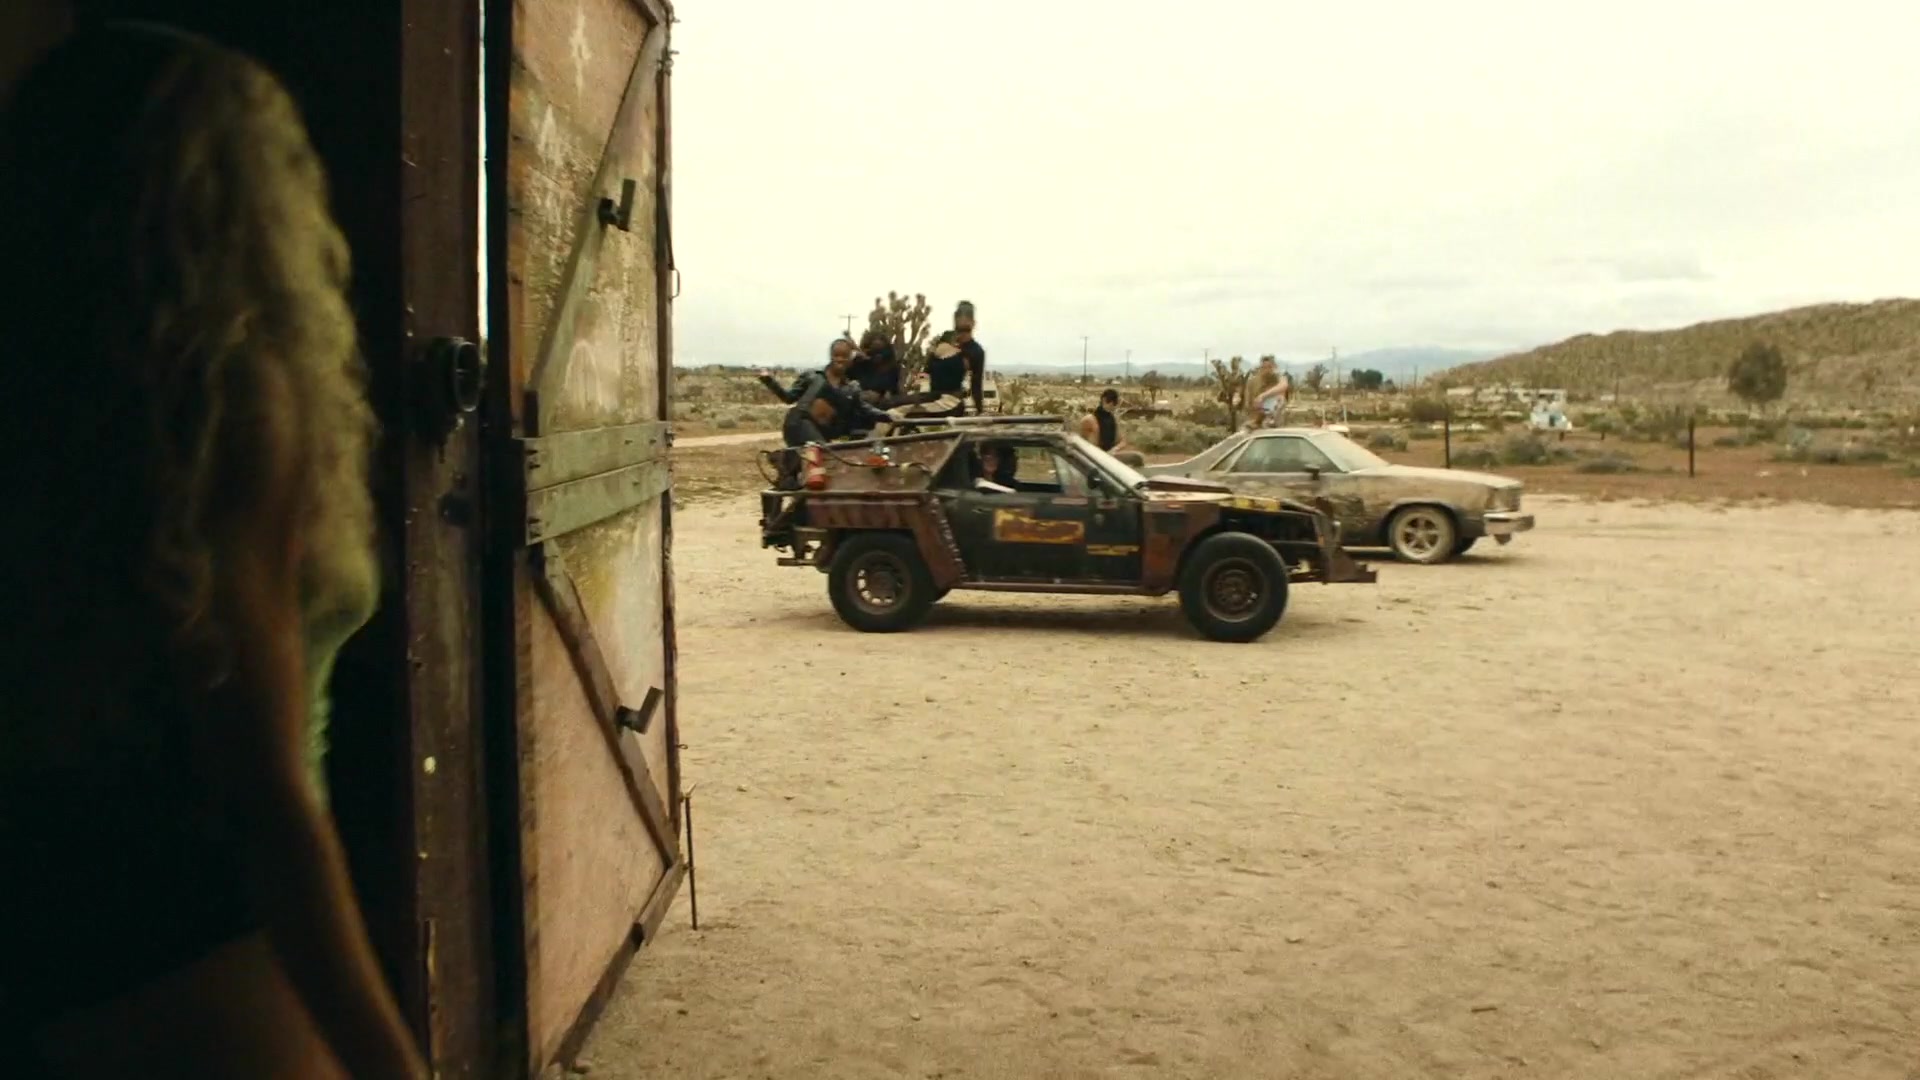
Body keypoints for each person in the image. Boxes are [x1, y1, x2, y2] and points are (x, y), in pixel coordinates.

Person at [0, 24, 425, 1078]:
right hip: (192, 916)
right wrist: (391, 1060)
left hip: (50, 892)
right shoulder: (231, 400)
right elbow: (267, 793)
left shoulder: (53, 403)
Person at [919, 299, 986, 416]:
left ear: (972, 322)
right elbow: (927, 369)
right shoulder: (943, 343)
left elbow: (976, 385)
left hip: (951, 402)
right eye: (959, 317)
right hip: (933, 398)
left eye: (966, 317)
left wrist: (980, 411)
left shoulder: (975, 351)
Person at [846, 330, 903, 406]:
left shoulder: (892, 368)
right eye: (874, 350)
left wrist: (880, 398)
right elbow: (843, 384)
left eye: (881, 351)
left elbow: (893, 394)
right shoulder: (858, 364)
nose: (878, 356)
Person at [1080, 388, 1131, 453]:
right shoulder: (1089, 420)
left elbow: (1122, 441)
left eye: (1116, 403)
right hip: (1095, 454)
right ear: (1104, 400)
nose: (1115, 407)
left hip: (1109, 452)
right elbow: (1086, 445)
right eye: (1113, 403)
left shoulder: (1112, 419)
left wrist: (1115, 449)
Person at [1249, 357, 1292, 429]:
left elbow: (1284, 385)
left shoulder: (1279, 378)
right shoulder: (1255, 382)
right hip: (1261, 419)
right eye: (1264, 367)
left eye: (1269, 367)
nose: (1267, 370)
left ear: (1274, 367)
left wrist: (1263, 396)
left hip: (1277, 420)